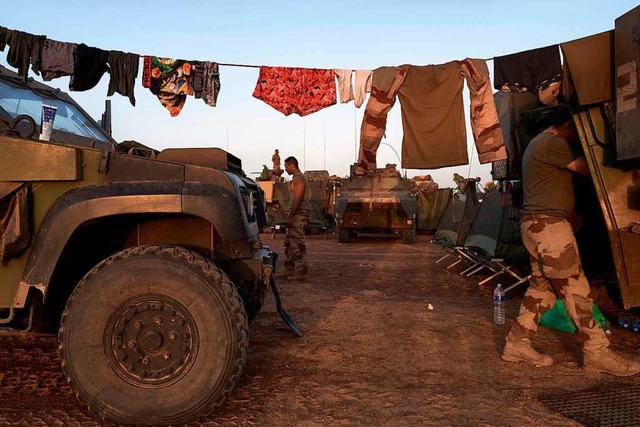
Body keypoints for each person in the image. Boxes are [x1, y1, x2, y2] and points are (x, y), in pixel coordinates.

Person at [501, 107, 640, 377]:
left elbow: (550, 185)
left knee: (543, 289)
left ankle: (517, 343)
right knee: (574, 288)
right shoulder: (552, 143)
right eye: (576, 131)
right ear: (567, 125)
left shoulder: (537, 143)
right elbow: (590, 171)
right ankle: (597, 352)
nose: (577, 137)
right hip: (549, 228)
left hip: (539, 224)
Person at [283, 156, 310, 280]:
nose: (286, 169)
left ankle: (301, 271)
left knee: (297, 245)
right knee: (289, 244)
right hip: (294, 215)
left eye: (286, 167)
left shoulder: (299, 179)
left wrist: (291, 216)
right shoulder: (296, 178)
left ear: (292, 165)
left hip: (298, 216)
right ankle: (290, 270)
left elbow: (298, 198)